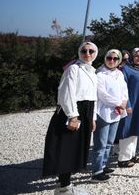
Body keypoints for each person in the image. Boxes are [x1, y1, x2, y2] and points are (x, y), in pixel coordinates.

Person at [43, 42, 98, 195]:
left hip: (86, 111)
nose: (87, 53)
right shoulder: (74, 68)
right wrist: (73, 116)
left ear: (96, 53)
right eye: (84, 50)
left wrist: (92, 117)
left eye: (91, 51)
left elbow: (94, 96)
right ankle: (63, 187)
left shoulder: (93, 71)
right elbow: (66, 93)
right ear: (79, 52)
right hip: (73, 111)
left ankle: (67, 184)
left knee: (77, 148)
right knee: (66, 148)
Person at [91, 49, 128, 182]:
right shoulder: (100, 74)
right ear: (105, 58)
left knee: (109, 142)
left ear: (118, 61)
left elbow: (124, 90)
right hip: (103, 113)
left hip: (116, 113)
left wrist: (124, 102)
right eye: (109, 58)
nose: (111, 61)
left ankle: (103, 165)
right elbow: (102, 95)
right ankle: (96, 171)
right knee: (100, 144)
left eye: (115, 59)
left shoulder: (119, 74)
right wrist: (119, 103)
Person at [117, 47, 139, 168]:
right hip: (131, 104)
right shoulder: (125, 70)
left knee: (136, 129)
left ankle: (131, 154)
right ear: (132, 56)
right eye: (136, 56)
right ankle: (123, 158)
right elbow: (122, 89)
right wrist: (127, 105)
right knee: (127, 129)